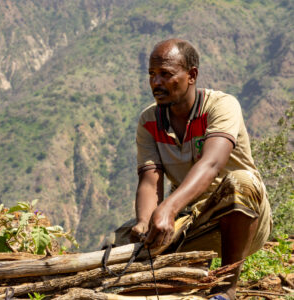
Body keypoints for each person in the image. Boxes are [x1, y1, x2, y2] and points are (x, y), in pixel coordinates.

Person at [106, 38, 272, 300]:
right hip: (192, 217)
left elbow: (211, 164)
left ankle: (226, 287)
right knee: (122, 240)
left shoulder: (221, 106)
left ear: (191, 75)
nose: (156, 83)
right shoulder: (149, 120)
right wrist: (144, 221)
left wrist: (168, 209)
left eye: (165, 74)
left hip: (244, 216)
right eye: (152, 74)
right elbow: (150, 180)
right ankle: (186, 275)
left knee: (242, 182)